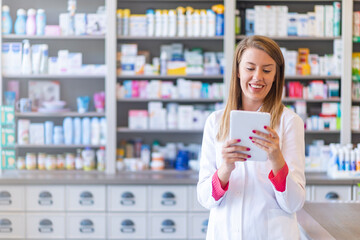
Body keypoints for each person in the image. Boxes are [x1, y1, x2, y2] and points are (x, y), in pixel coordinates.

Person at [197, 35, 305, 240]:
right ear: (238, 71)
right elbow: (204, 198)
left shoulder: (289, 122)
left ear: (276, 75)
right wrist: (225, 169)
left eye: (266, 70)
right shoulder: (216, 122)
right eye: (250, 68)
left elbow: (294, 203)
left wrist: (276, 159)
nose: (258, 77)